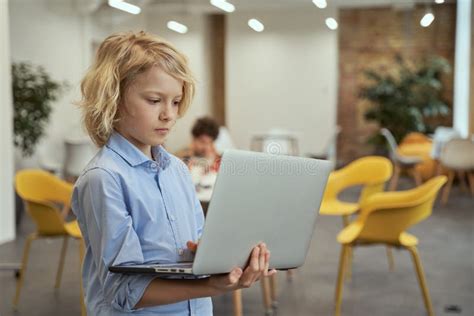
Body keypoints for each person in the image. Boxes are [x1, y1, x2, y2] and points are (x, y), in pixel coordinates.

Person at [72, 31, 275, 315]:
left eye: (176, 102)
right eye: (154, 100)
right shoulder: (104, 178)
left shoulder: (177, 170)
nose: (169, 114)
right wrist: (212, 287)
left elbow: (194, 244)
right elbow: (124, 290)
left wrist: (217, 255)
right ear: (114, 99)